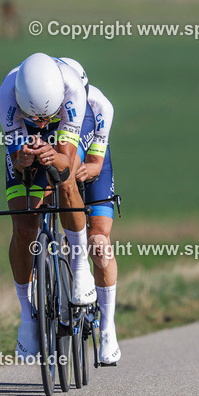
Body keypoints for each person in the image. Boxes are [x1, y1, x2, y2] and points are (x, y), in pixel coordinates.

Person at [0, 53, 96, 361]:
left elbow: (66, 160)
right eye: (35, 117)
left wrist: (53, 154)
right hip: (24, 137)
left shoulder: (73, 92)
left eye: (45, 116)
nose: (41, 124)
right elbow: (16, 158)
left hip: (63, 133)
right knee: (24, 226)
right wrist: (22, 158)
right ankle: (27, 318)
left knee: (65, 183)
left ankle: (80, 270)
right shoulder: (6, 95)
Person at [57, 57, 120, 365]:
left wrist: (89, 167)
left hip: (95, 167)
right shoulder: (53, 105)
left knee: (99, 243)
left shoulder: (99, 106)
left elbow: (96, 158)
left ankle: (108, 329)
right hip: (63, 167)